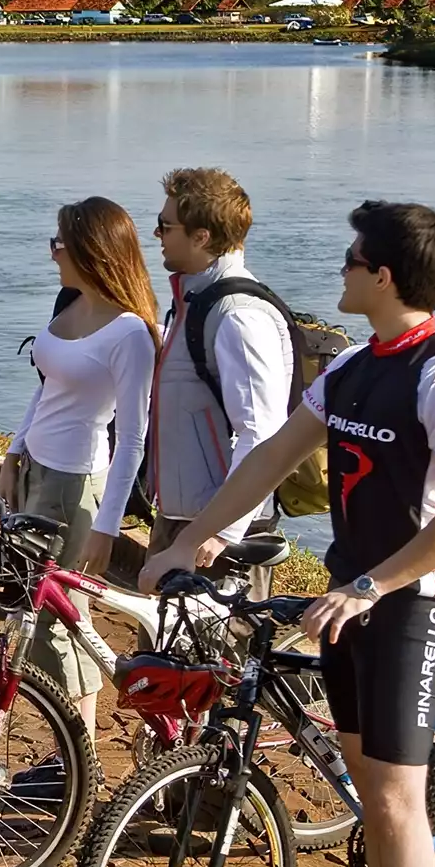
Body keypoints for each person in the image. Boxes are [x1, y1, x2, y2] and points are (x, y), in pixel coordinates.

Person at [142, 202, 435, 867]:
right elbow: (269, 457)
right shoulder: (349, 368)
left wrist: (373, 585)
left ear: (383, 276)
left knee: (395, 803)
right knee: (372, 794)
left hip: (411, 603)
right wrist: (193, 541)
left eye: (351, 258)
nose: (339, 268)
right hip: (348, 598)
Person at [0, 196, 158, 735]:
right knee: (43, 609)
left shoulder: (129, 333)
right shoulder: (69, 302)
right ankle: (74, 750)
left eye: (59, 244)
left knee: (54, 617)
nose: (52, 253)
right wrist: (11, 457)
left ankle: (76, 749)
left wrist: (107, 527)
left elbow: (132, 439)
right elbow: (46, 391)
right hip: (36, 470)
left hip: (76, 484)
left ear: (92, 249)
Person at [145, 168, 294, 592]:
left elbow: (262, 431)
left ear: (202, 237)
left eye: (165, 225)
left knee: (212, 639)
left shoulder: (239, 316)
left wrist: (222, 532)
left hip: (216, 537)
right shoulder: (195, 301)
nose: (157, 234)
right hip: (184, 520)